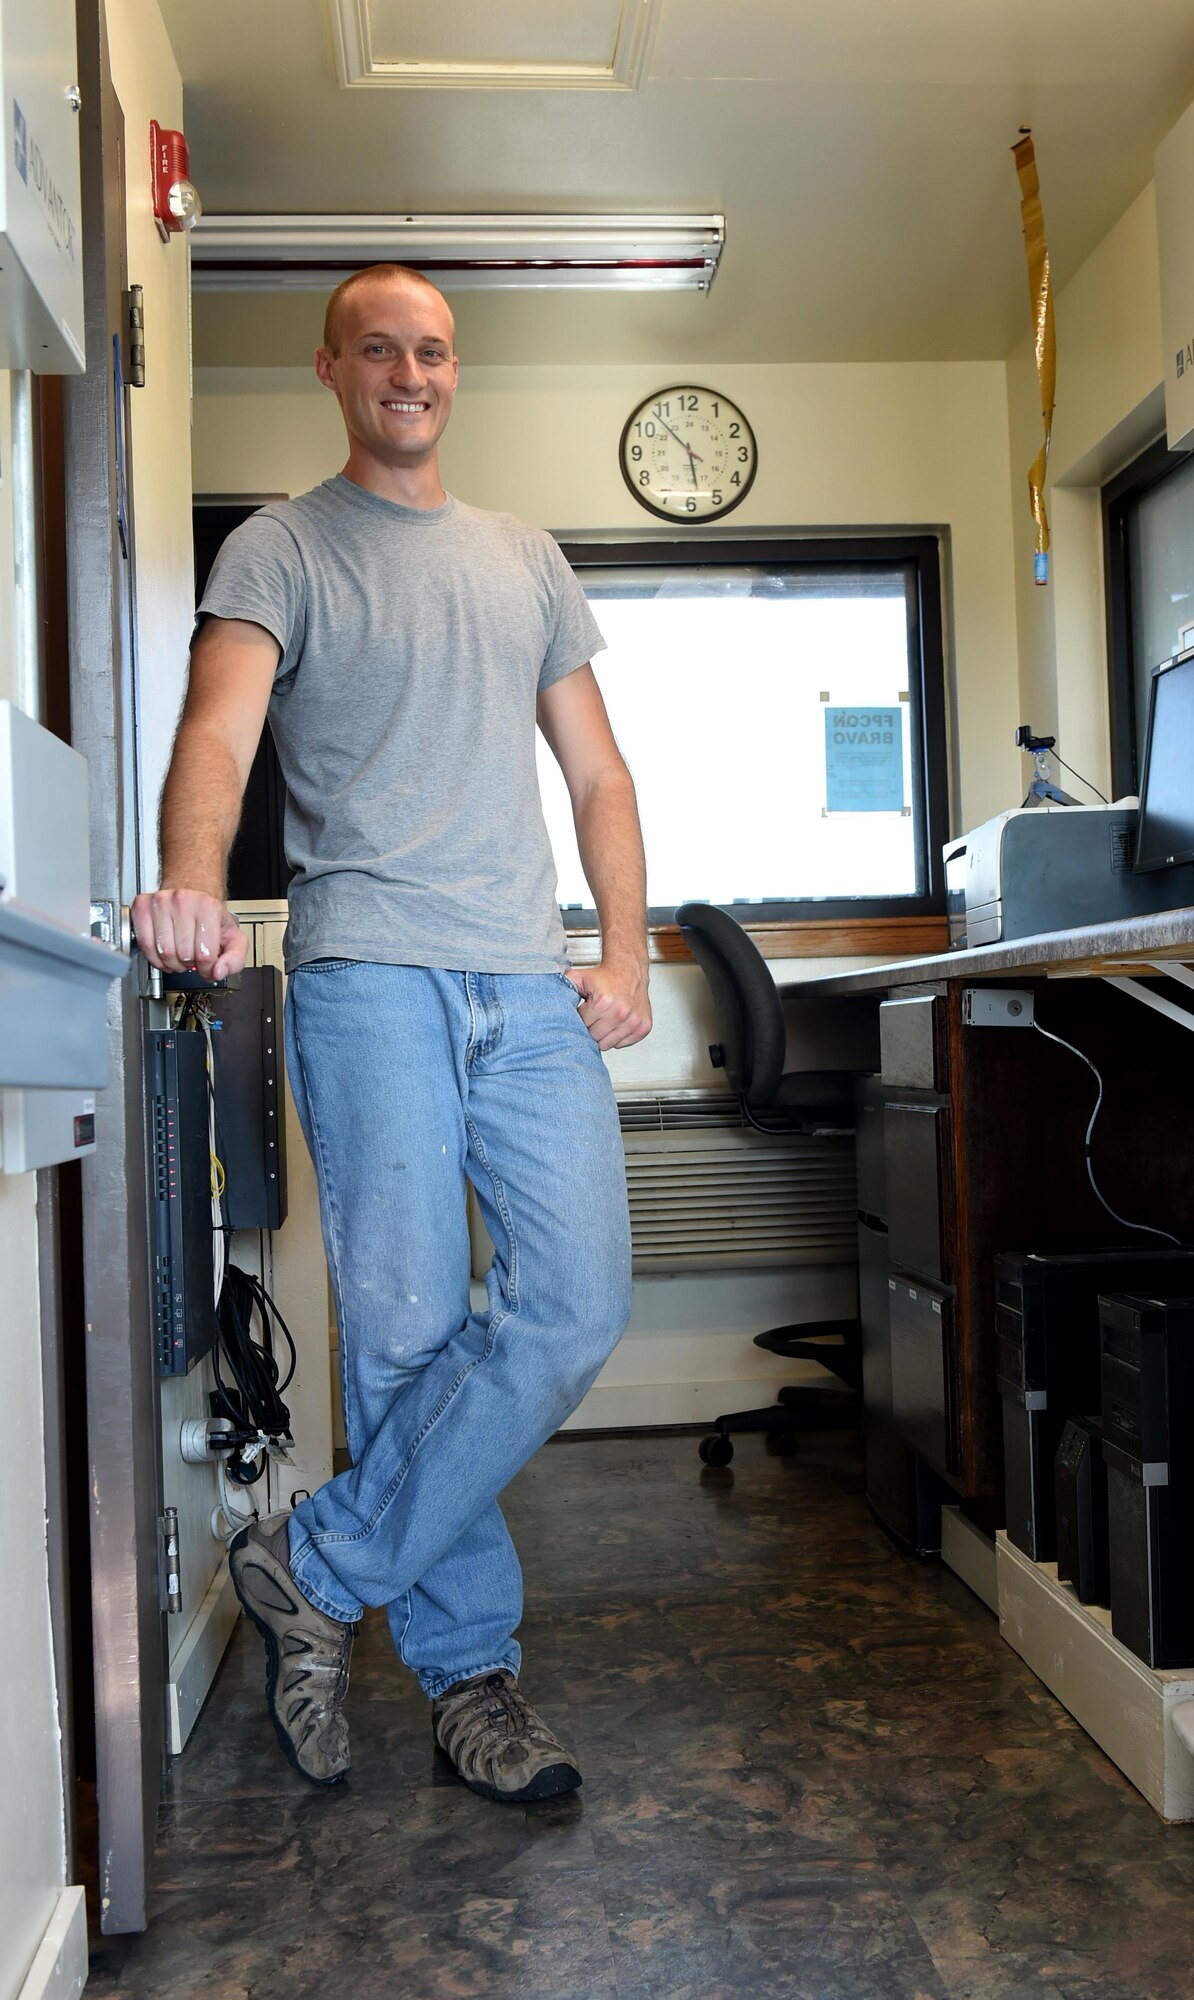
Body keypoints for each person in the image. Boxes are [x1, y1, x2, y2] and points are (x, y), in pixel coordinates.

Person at [134, 263, 651, 1803]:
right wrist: (189, 881)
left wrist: (624, 954)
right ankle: (470, 1680)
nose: (410, 372)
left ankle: (313, 1563)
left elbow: (601, 778)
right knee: (411, 1338)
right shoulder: (279, 548)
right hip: (368, 978)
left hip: (528, 980)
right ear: (332, 369)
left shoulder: (527, 555)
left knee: (572, 1305)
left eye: (432, 350)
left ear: (454, 370)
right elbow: (217, 732)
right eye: (381, 348)